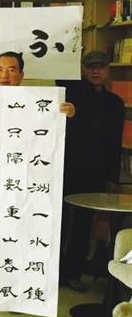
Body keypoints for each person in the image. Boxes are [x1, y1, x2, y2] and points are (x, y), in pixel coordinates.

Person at [58, 50, 124, 292]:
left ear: (108, 70)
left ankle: (73, 273)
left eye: (101, 67)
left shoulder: (115, 103)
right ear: (83, 70)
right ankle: (55, 273)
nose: (96, 71)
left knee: (83, 225)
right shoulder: (70, 95)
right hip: (65, 168)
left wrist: (112, 177)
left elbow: (115, 143)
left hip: (95, 173)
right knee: (59, 222)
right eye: (91, 67)